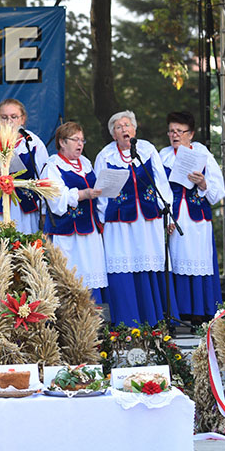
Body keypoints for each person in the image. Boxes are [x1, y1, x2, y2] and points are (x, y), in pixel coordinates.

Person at [93, 110, 175, 327]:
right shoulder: (105, 156)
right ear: (113, 135)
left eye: (127, 125)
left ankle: (154, 318)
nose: (124, 130)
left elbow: (160, 182)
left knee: (149, 264)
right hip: (119, 223)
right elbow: (99, 192)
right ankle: (127, 321)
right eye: (118, 127)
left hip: (148, 221)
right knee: (122, 266)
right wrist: (100, 220)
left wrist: (168, 215)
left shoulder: (147, 150)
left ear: (135, 129)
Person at [158, 112, 224, 323]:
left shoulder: (204, 155)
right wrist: (164, 217)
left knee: (198, 259)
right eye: (171, 131)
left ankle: (200, 311)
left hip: (197, 218)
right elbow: (156, 189)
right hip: (173, 217)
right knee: (175, 260)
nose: (175, 135)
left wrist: (203, 184)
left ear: (191, 134)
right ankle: (179, 312)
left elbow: (218, 193)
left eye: (180, 131)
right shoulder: (163, 156)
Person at [42, 122, 106, 303]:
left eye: (82, 140)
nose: (80, 144)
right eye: (75, 140)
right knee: (70, 276)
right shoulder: (52, 166)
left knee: (91, 274)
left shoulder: (85, 163)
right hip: (67, 232)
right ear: (62, 142)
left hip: (89, 228)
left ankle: (93, 322)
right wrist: (82, 194)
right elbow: (55, 200)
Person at [0, 98, 49, 233]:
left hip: (26, 210)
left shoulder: (32, 143)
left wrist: (44, 212)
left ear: (22, 119)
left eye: (14, 117)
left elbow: (45, 179)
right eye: (4, 117)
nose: (9, 121)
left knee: (26, 249)